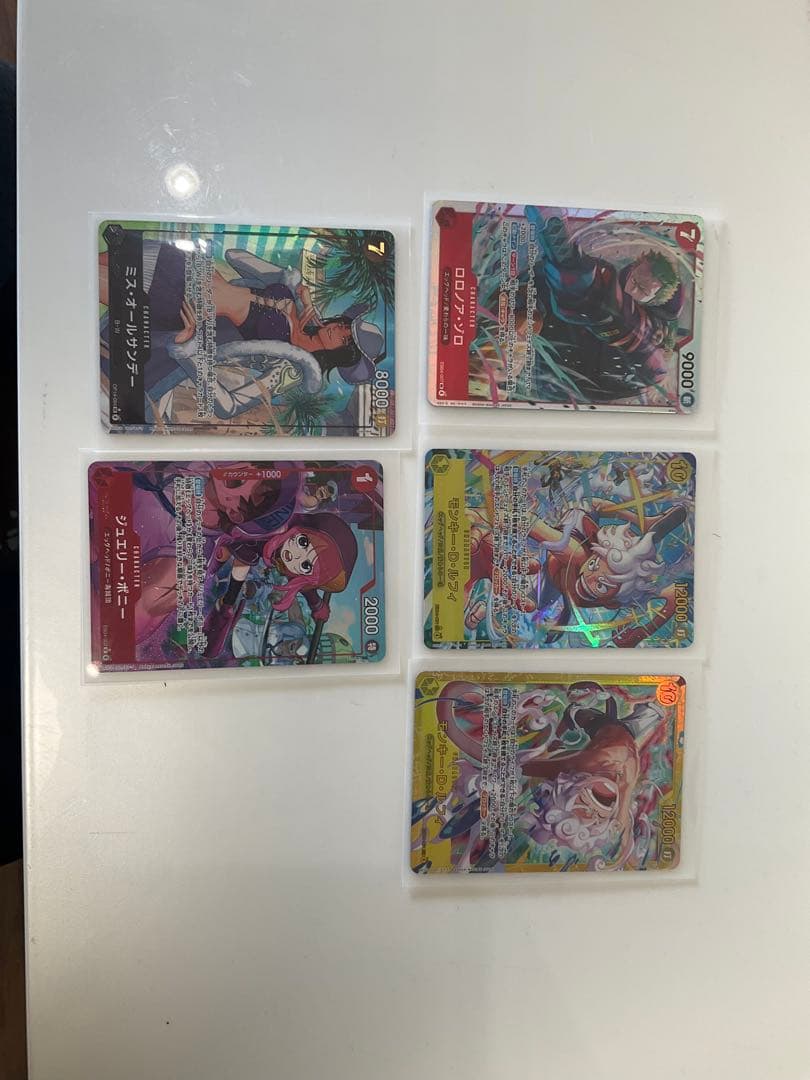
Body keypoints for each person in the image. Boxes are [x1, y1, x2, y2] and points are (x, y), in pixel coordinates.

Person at [524, 206, 685, 401]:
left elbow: (641, 342)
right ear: (633, 268)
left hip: (601, 382)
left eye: (642, 290)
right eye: (634, 280)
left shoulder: (652, 326)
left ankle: (568, 262)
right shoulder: (610, 277)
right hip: (556, 370)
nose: (633, 289)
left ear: (655, 299)